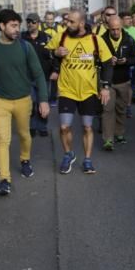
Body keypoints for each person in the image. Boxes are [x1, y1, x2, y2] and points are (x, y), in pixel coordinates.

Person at [0, 9, 50, 196]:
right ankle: (4, 179)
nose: (16, 29)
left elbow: (38, 74)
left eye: (17, 26)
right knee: (2, 140)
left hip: (23, 100)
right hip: (0, 101)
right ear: (2, 26)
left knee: (24, 135)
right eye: (12, 26)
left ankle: (25, 159)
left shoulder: (25, 47)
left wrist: (43, 100)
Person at [49, 10, 114, 175]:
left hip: (88, 92)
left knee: (87, 127)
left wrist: (105, 87)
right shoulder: (61, 37)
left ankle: (87, 159)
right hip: (67, 90)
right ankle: (68, 154)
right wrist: (54, 53)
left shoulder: (95, 40)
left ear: (81, 23)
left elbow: (107, 63)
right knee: (64, 127)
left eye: (71, 22)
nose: (67, 24)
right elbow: (44, 53)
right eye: (67, 21)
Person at [100, 13, 135, 150]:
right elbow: (94, 60)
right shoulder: (101, 40)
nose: (116, 32)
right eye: (112, 29)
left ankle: (119, 134)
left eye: (118, 29)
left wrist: (126, 61)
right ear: (108, 27)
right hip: (108, 82)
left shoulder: (129, 40)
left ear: (121, 27)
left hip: (124, 80)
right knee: (107, 110)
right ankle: (108, 140)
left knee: (121, 109)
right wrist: (106, 60)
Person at [23, 13, 55, 137]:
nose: (30, 24)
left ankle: (42, 126)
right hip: (27, 77)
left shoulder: (46, 38)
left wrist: (55, 71)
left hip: (44, 76)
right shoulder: (22, 38)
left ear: (38, 23)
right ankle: (32, 126)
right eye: (28, 21)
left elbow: (54, 56)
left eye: (33, 22)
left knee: (43, 102)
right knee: (31, 103)